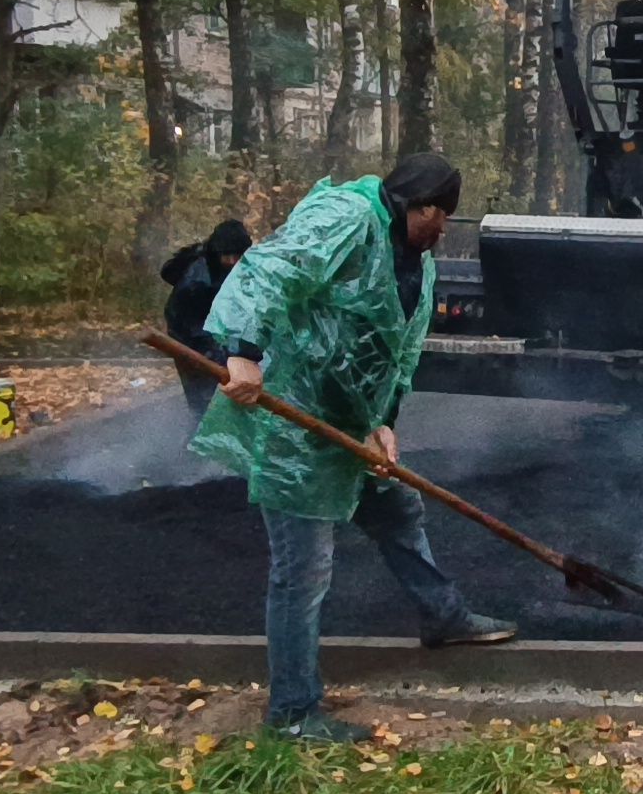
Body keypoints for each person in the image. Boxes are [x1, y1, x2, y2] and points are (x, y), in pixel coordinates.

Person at [191, 153, 514, 744]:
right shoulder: (347, 217)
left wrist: (385, 422)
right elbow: (270, 268)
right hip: (299, 429)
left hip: (353, 423)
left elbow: (399, 351)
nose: (444, 228)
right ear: (422, 206)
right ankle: (293, 714)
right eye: (442, 216)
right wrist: (243, 352)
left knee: (399, 512)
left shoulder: (418, 264)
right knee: (302, 571)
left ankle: (443, 616)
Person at [162, 219, 252, 419]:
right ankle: (201, 431)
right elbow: (195, 329)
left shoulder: (227, 268)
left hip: (210, 330)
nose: (232, 261)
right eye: (227, 256)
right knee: (204, 397)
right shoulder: (197, 281)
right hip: (188, 337)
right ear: (217, 252)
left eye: (237, 256)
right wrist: (224, 358)